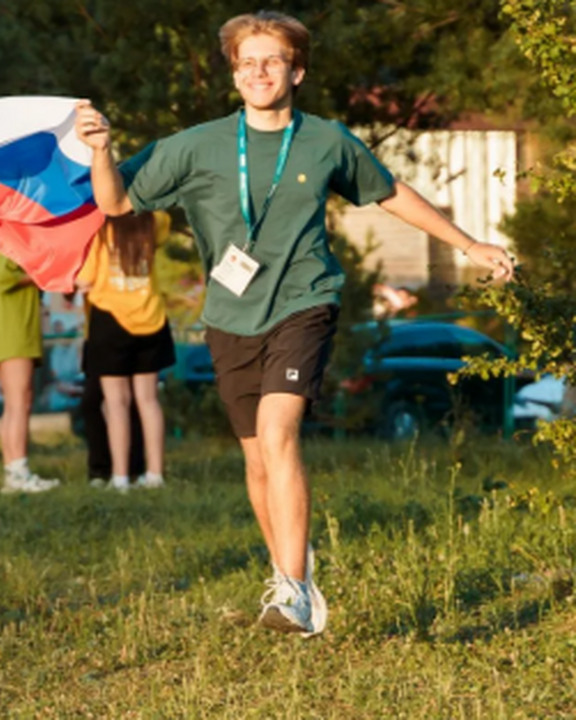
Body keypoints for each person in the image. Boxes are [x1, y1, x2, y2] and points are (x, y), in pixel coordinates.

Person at [75, 11, 514, 636]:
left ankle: (294, 590)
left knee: (279, 432)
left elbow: (390, 192)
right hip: (231, 315)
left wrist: (469, 244)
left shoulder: (327, 141)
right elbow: (115, 200)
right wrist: (101, 149)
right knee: (256, 457)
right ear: (235, 73)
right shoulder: (196, 145)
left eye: (272, 60)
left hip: (305, 302)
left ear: (296, 70)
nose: (259, 71)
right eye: (247, 61)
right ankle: (290, 567)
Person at [76, 212, 175, 492]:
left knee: (116, 403)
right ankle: (155, 474)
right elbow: (166, 222)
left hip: (109, 321)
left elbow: (85, 280)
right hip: (152, 319)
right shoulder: (153, 223)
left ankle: (120, 478)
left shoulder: (99, 228)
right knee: (148, 400)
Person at [0, 251, 61, 493]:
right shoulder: (8, 241)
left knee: (15, 404)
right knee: (19, 404)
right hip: (12, 331)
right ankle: (18, 471)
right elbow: (5, 277)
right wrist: (44, 275)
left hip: (8, 329)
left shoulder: (5, 241)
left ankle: (13, 470)